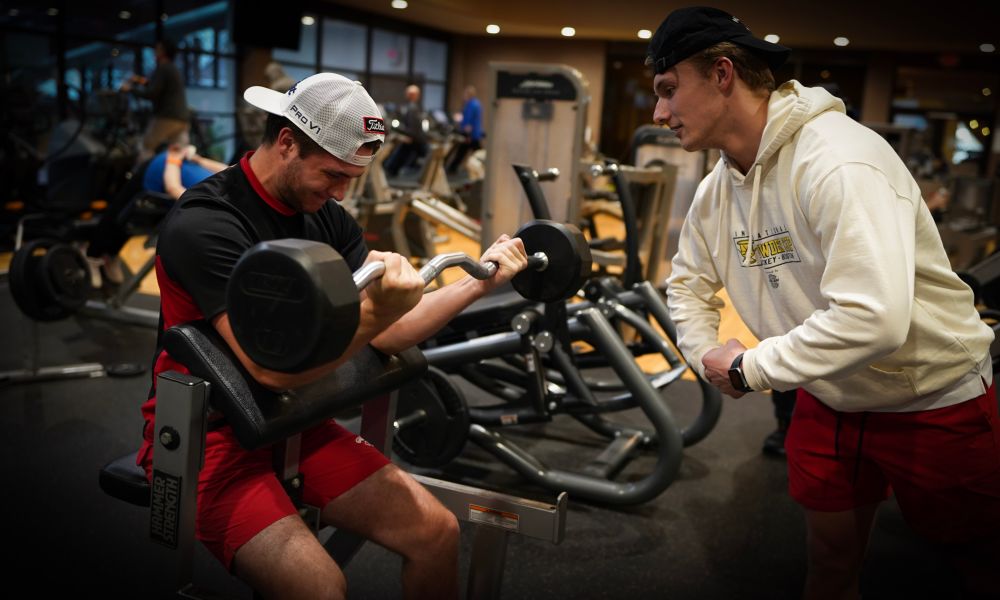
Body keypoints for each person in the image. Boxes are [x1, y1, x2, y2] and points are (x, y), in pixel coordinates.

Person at [136, 72, 529, 600]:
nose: (342, 192)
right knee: (321, 588)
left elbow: (394, 329)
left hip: (295, 424)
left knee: (437, 533)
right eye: (333, 174)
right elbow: (269, 369)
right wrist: (375, 315)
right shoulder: (207, 224)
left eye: (353, 178)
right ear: (287, 142)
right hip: (207, 441)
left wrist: (478, 284)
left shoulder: (324, 215)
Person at [650, 6, 1000, 599]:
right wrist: (707, 352)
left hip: (930, 396)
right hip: (830, 394)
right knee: (830, 560)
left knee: (977, 565)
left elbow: (874, 317)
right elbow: (686, 283)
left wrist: (749, 367)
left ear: (723, 74)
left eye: (667, 89)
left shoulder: (838, 160)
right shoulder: (720, 186)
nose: (659, 113)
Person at [85, 134, 226, 287]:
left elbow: (176, 189)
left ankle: (110, 255)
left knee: (130, 224)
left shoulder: (218, 209)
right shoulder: (236, 191)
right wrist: (196, 160)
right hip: (158, 170)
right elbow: (174, 187)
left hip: (171, 173)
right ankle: (91, 254)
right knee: (118, 216)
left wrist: (174, 160)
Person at [121, 39, 190, 163]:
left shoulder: (163, 68)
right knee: (179, 152)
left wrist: (130, 89)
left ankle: (143, 180)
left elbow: (152, 93)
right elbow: (158, 86)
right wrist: (143, 82)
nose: (154, 52)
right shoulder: (172, 68)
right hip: (181, 117)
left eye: (157, 49)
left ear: (163, 52)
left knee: (146, 147)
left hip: (167, 116)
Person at [384, 84, 428, 177]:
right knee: (403, 152)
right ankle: (392, 170)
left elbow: (413, 127)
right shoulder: (413, 107)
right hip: (416, 138)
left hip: (414, 139)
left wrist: (408, 136)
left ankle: (391, 170)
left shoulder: (412, 108)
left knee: (402, 152)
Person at [445, 85, 483, 175]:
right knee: (464, 152)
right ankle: (452, 168)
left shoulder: (471, 104)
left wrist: (468, 135)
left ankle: (452, 169)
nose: (463, 96)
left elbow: (469, 120)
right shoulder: (476, 103)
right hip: (473, 133)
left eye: (465, 94)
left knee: (471, 152)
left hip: (470, 134)